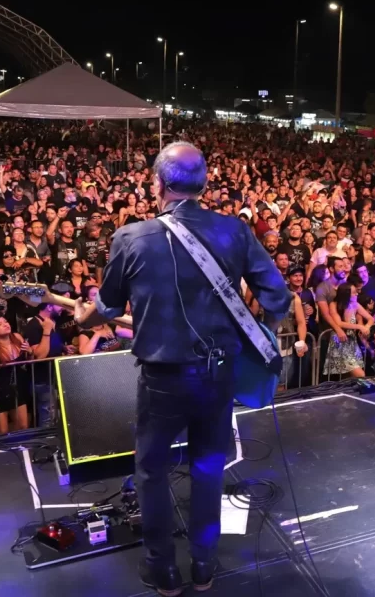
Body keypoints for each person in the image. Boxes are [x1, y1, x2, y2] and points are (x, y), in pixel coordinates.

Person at [73, 141, 290, 596]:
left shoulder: (132, 236)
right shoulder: (235, 231)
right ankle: (204, 567)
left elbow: (108, 307)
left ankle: (162, 570)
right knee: (209, 467)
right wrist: (263, 334)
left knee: (152, 472)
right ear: (203, 184)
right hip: (218, 374)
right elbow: (278, 297)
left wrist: (82, 318)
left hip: (163, 378)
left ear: (159, 184)